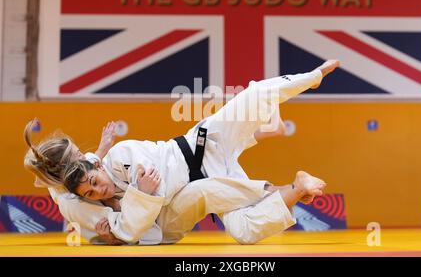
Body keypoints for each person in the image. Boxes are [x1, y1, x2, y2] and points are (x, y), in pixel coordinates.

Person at [24, 59, 340, 244]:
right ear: (63, 173)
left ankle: (312, 78)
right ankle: (295, 187)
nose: (95, 182)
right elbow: (127, 222)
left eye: (86, 162)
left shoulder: (116, 157)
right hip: (202, 179)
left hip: (203, 141)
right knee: (242, 231)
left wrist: (136, 186)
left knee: (254, 93)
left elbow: (111, 171)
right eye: (90, 189)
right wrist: (110, 232)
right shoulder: (73, 199)